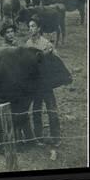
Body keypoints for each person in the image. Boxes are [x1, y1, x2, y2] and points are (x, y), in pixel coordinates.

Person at [26, 15, 61, 146]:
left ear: (39, 28)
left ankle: (56, 137)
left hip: (46, 83)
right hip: (35, 84)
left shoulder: (46, 43)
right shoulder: (28, 44)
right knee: (36, 110)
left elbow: (56, 61)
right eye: (29, 26)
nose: (30, 29)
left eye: (33, 26)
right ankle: (39, 136)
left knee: (51, 109)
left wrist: (50, 53)